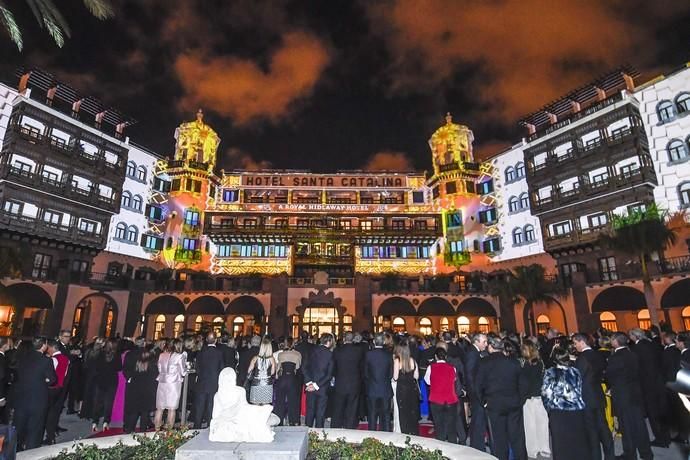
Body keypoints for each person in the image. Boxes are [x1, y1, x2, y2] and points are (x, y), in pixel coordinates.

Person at [476, 335, 527, 460]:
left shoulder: (484, 363)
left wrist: (483, 401)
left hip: (494, 404)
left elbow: (478, 385)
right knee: (517, 438)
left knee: (499, 438)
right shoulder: (513, 362)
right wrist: (520, 400)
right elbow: (524, 384)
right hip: (513, 403)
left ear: (491, 346)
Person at [606, 332, 653, 460]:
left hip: (622, 395)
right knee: (639, 424)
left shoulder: (615, 357)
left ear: (616, 342)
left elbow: (610, 375)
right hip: (635, 393)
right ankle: (646, 453)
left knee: (626, 426)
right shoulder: (632, 354)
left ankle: (630, 454)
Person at [541, 346, 589, 460]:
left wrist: (549, 407)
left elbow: (546, 393)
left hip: (559, 410)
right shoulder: (575, 371)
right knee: (577, 438)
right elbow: (579, 389)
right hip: (576, 409)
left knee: (560, 441)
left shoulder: (550, 373)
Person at [572, 333, 614, 460]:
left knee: (591, 431)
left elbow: (578, 378)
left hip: (587, 397)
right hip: (597, 394)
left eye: (575, 343)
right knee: (603, 427)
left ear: (582, 342)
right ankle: (610, 455)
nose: (575, 346)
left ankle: (595, 456)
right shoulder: (598, 354)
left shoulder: (582, 358)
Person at [629, 327, 671, 447]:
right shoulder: (653, 344)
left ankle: (660, 438)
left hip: (647, 384)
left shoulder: (636, 349)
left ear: (634, 336)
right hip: (659, 381)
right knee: (662, 410)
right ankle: (666, 436)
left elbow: (636, 368)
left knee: (653, 412)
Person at [13, 337, 56, 451]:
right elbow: (52, 379)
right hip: (38, 399)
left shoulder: (22, 357)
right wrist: (44, 379)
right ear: (44, 346)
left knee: (19, 427)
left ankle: (15, 451)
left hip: (21, 397)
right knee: (35, 429)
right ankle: (31, 453)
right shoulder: (46, 360)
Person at [519, 341, 550, 459]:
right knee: (542, 423)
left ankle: (532, 449)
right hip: (539, 395)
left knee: (529, 425)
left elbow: (524, 382)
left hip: (528, 397)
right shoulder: (540, 363)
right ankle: (544, 448)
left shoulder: (524, 364)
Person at [424, 347, 458, 443]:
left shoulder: (431, 367)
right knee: (451, 427)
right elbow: (454, 380)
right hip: (451, 400)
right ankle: (453, 447)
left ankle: (441, 448)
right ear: (446, 357)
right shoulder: (452, 368)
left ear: (435, 357)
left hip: (436, 400)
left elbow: (427, 381)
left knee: (439, 427)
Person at [331, 331, 364, 429]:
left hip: (340, 382)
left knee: (338, 407)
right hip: (354, 382)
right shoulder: (359, 351)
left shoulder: (337, 351)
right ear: (353, 339)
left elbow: (333, 367)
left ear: (344, 339)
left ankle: (336, 427)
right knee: (352, 408)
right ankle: (350, 427)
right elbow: (362, 367)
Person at [192, 333, 225, 429]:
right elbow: (221, 368)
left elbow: (197, 368)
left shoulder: (201, 353)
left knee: (199, 406)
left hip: (202, 382)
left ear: (206, 340)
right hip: (214, 382)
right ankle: (210, 426)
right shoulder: (219, 353)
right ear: (216, 340)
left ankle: (197, 426)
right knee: (211, 405)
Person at [123, 347, 158, 432]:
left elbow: (131, 375)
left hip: (136, 390)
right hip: (147, 391)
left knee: (134, 412)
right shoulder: (151, 365)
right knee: (145, 413)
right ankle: (142, 431)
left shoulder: (137, 364)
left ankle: (130, 430)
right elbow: (155, 376)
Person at [154, 339, 187, 430]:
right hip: (174, 383)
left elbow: (159, 369)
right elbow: (183, 372)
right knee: (172, 408)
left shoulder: (162, 355)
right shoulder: (180, 356)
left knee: (160, 408)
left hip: (162, 382)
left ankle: (156, 429)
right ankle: (168, 431)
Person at [303, 333, 334, 428]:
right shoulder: (330, 354)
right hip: (322, 387)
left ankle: (307, 433)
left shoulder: (310, 350)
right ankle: (318, 436)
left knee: (310, 411)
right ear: (329, 342)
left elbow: (304, 367)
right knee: (320, 413)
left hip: (310, 386)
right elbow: (329, 375)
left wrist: (309, 383)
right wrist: (316, 385)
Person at [465, 332, 489, 451]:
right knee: (479, 419)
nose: (486, 344)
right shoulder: (472, 353)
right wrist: (476, 394)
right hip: (476, 393)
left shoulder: (475, 352)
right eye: (484, 342)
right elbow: (470, 376)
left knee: (477, 419)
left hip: (476, 392)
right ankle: (478, 447)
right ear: (476, 341)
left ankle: (476, 444)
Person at [364, 332, 393, 431]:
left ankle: (372, 435)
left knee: (372, 414)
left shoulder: (368, 354)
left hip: (372, 388)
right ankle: (387, 436)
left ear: (373, 341)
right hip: (385, 388)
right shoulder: (389, 355)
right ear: (384, 342)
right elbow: (391, 373)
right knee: (386, 415)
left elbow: (366, 373)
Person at [91, 338, 121, 432]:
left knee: (98, 401)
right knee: (109, 402)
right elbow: (119, 367)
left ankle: (95, 422)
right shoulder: (116, 355)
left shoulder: (100, 354)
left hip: (101, 380)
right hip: (112, 380)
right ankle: (106, 421)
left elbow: (96, 366)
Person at [44, 339, 70, 445]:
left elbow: (51, 376)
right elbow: (64, 374)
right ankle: (52, 434)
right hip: (60, 388)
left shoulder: (53, 360)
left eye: (48, 348)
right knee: (54, 412)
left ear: (53, 347)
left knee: (48, 413)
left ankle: (50, 436)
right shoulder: (66, 359)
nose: (47, 350)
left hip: (52, 389)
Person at [393, 339, 419, 435]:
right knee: (412, 411)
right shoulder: (412, 360)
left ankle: (405, 433)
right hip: (412, 389)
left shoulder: (397, 360)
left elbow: (395, 377)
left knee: (403, 413)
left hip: (402, 389)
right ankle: (414, 432)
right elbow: (416, 376)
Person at [274, 337, 302, 426]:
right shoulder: (298, 354)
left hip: (282, 379)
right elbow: (297, 367)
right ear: (293, 344)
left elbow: (279, 368)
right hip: (292, 379)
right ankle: (293, 421)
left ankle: (279, 421)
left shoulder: (281, 354)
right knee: (293, 401)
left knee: (280, 401)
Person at [247, 337, 277, 405]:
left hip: (256, 383)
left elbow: (249, 371)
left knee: (255, 405)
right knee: (265, 406)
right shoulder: (272, 359)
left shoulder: (255, 358)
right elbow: (272, 373)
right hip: (267, 383)